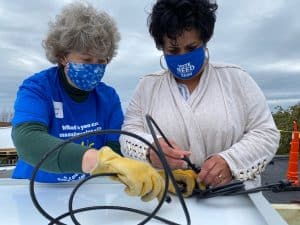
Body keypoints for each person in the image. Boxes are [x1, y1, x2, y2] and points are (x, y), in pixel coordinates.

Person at [120, 0, 280, 196]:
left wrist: (231, 162)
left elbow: (266, 133)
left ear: (205, 41)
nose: (183, 56)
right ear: (161, 48)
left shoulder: (237, 79)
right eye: (173, 50)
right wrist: (149, 150)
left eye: (191, 47)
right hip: (168, 200)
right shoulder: (147, 87)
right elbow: (128, 134)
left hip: (234, 198)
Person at [11, 2, 164, 202]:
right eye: (87, 59)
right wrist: (98, 160)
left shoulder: (108, 97)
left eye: (102, 61)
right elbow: (27, 140)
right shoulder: (37, 88)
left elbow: (118, 151)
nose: (95, 67)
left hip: (87, 193)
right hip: (36, 192)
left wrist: (156, 174)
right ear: (63, 56)